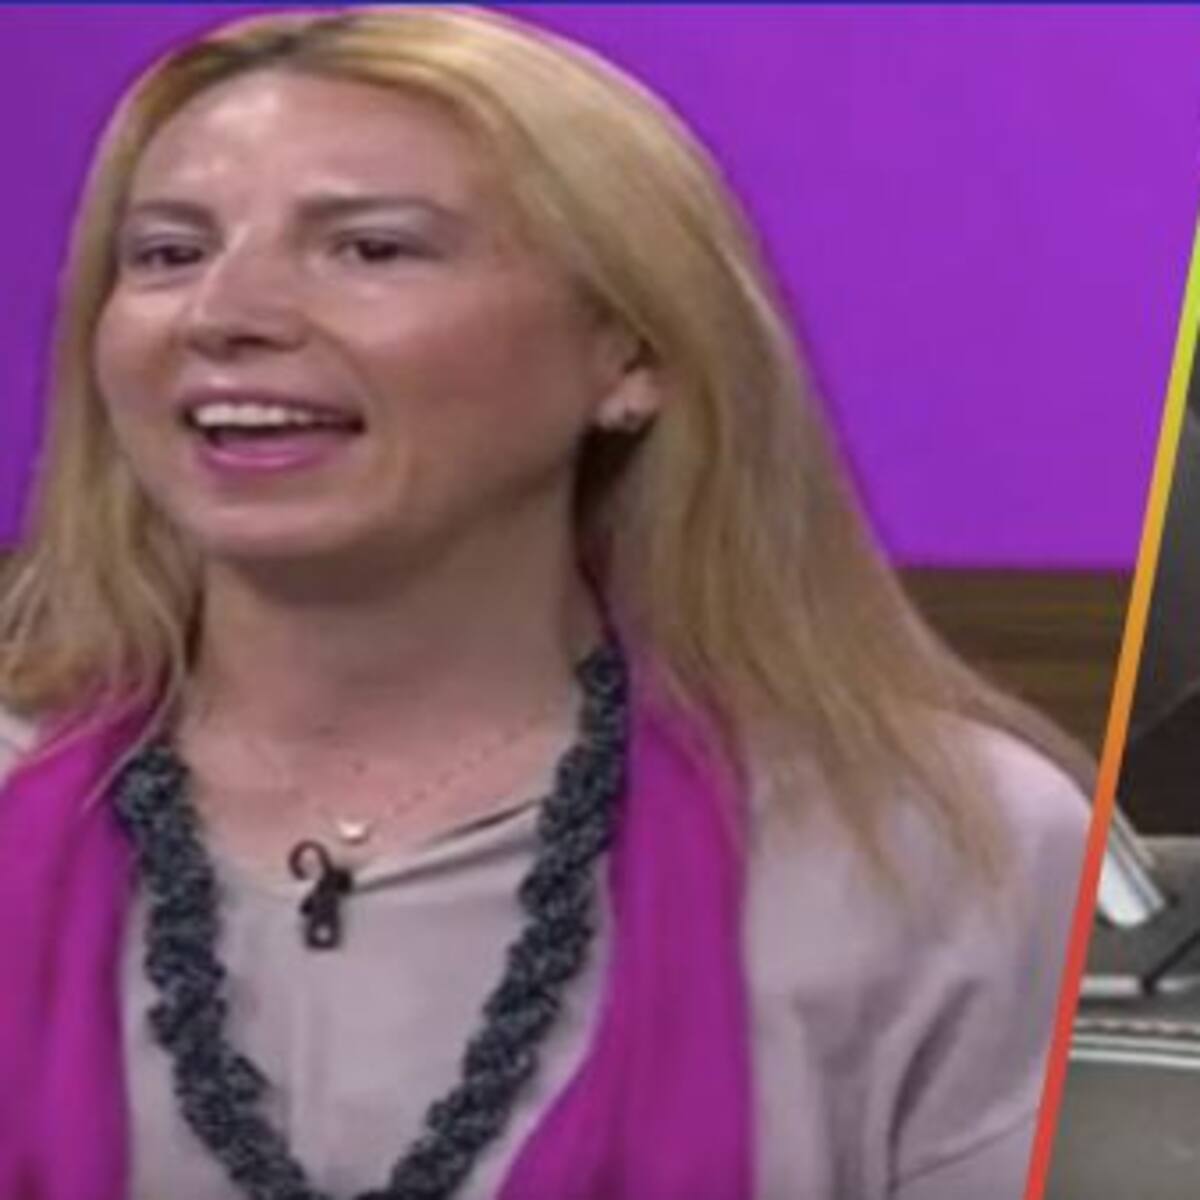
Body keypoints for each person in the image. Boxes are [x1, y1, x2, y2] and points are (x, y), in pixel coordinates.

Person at [0, 7, 1092, 1199]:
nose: (223, 314)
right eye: (167, 253)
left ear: (630, 352)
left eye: (372, 248)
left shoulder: (934, 846)